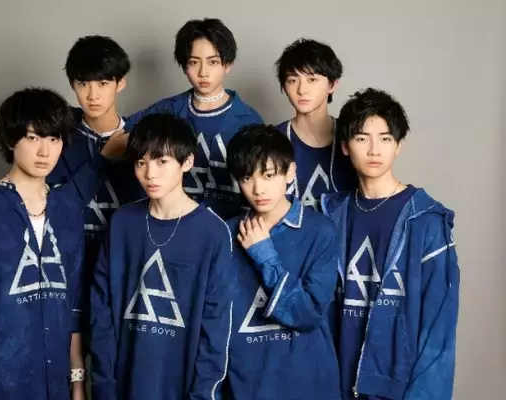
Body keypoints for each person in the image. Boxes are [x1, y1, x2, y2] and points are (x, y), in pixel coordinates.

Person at [0, 87, 103, 400]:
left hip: (57, 385)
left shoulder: (66, 211)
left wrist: (77, 381)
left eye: (54, 139)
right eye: (33, 138)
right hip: (1, 384)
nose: (44, 151)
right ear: (11, 140)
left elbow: (73, 305)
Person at [321, 88, 460, 400]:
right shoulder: (331, 216)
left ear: (398, 146)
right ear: (345, 146)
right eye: (362, 138)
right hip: (336, 382)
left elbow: (439, 331)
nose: (374, 150)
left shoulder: (426, 220)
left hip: (398, 385)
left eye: (385, 138)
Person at [90, 113, 234, 400]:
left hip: (183, 387)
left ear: (187, 161)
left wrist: (202, 393)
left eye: (162, 161)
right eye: (141, 162)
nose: (150, 174)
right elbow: (101, 310)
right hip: (123, 385)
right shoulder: (122, 223)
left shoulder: (213, 232)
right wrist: (104, 384)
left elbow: (216, 326)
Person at [224, 124, 341, 400]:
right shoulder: (224, 233)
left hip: (309, 383)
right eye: (247, 178)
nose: (258, 189)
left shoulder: (320, 231)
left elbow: (308, 314)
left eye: (268, 175)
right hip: (245, 383)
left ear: (290, 172)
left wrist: (264, 254)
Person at [47, 35, 143, 341]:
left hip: (124, 274)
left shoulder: (141, 141)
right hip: (66, 270)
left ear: (120, 83)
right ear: (72, 85)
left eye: (103, 83)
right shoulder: (56, 140)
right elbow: (52, 208)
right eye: (83, 84)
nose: (92, 95)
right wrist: (102, 159)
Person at [124, 18, 263, 219]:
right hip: (170, 223)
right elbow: (123, 136)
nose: (203, 72)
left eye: (213, 62)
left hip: (230, 226)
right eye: (193, 62)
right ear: (184, 65)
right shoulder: (166, 110)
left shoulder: (249, 120)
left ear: (228, 64)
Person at [274, 38, 357, 211]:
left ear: (332, 84)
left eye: (312, 80)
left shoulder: (355, 138)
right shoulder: (272, 142)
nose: (302, 90)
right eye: (293, 80)